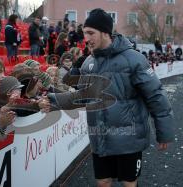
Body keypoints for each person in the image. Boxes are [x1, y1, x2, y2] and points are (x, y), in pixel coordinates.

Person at [40, 8, 174, 187]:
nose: (85, 38)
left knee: (129, 183)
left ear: (105, 32)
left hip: (129, 139)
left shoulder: (134, 59)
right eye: (84, 33)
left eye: (90, 33)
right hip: (100, 138)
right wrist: (55, 101)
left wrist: (164, 132)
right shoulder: (88, 63)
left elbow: (156, 95)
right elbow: (82, 96)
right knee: (102, 182)